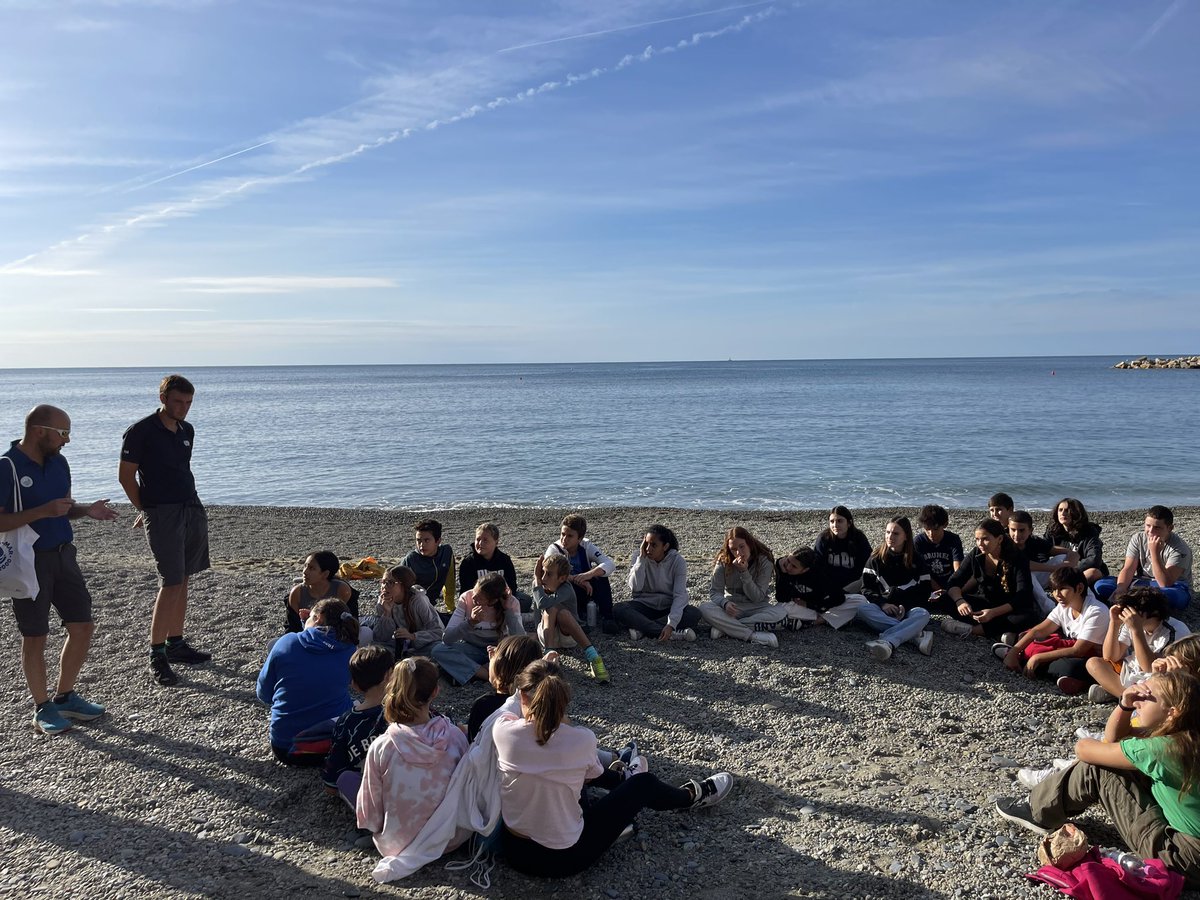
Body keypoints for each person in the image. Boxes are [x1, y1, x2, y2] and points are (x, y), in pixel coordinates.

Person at [493, 657, 733, 878]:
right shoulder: (582, 739)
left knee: (565, 779)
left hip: (515, 852)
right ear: (564, 700)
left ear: (522, 696)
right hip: (562, 860)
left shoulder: (503, 731)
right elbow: (592, 774)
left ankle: (626, 779)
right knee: (642, 784)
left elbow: (512, 709)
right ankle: (692, 796)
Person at [995, 670, 1200, 888]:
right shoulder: (1188, 736)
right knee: (1124, 763)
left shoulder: (1161, 749)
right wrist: (1125, 705)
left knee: (1100, 769)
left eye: (1146, 695)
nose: (1138, 699)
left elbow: (1086, 750)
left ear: (1172, 712)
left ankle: (1038, 811)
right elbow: (1115, 739)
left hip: (1183, 858)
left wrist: (1125, 708)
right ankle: (1046, 803)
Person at [1, 405, 118, 735]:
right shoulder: (6, 467)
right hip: (29, 561)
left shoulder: (59, 463)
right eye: (63, 433)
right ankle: (42, 707)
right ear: (40, 431)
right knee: (35, 635)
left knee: (82, 625)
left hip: (64, 555)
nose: (67, 440)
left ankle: (65, 695)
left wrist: (86, 510)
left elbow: (63, 509)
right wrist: (42, 511)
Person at [118, 374, 211, 687]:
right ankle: (156, 655)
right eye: (177, 402)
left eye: (188, 403)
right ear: (163, 399)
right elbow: (126, 477)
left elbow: (180, 470)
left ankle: (176, 643)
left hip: (190, 507)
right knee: (170, 581)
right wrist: (145, 509)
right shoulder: (140, 431)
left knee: (183, 577)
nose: (184, 408)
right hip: (163, 513)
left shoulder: (187, 430)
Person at [357, 656, 470, 859]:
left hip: (397, 843)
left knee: (350, 779)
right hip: (450, 839)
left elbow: (371, 808)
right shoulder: (454, 736)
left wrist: (374, 825)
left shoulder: (383, 745)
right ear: (435, 691)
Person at [256, 599, 358, 765]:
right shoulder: (349, 650)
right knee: (356, 703)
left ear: (318, 618)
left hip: (284, 747)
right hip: (331, 745)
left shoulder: (287, 642)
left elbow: (264, 694)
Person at [994, 567, 1108, 695]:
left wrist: (1038, 658)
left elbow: (1079, 650)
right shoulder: (1064, 606)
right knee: (1032, 639)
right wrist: (1014, 652)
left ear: (1079, 588)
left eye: (1062, 589)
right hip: (1072, 649)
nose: (1057, 594)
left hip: (1093, 658)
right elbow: (1039, 630)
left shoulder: (1096, 611)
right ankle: (1020, 657)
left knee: (1070, 667)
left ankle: (1027, 660)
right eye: (1053, 590)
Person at [1087, 586, 1190, 703]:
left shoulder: (1174, 631)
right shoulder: (1131, 623)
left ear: (1154, 612)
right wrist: (1114, 623)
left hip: (1160, 676)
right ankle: (1126, 697)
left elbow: (1149, 668)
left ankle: (1119, 695)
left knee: (1158, 685)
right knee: (1094, 663)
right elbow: (1110, 656)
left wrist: (1137, 630)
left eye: (1134, 611)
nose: (1129, 615)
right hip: (1135, 669)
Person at [322, 644, 395, 805]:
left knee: (345, 779)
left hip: (375, 795)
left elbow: (331, 783)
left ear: (354, 684)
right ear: (389, 675)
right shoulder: (408, 709)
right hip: (413, 786)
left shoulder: (346, 721)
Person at [941, 519, 1035, 640]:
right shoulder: (976, 553)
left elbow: (1023, 595)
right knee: (945, 598)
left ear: (999, 539)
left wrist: (993, 613)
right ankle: (1000, 632)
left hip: (1007, 607)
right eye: (977, 539)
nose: (980, 543)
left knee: (1027, 617)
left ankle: (972, 630)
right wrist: (960, 601)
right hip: (984, 602)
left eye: (985, 539)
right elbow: (954, 581)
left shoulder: (1017, 558)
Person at [855, 516, 934, 661]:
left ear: (906, 536)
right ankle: (915, 634)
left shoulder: (917, 560)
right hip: (883, 609)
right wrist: (883, 604)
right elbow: (866, 589)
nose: (890, 536)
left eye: (896, 533)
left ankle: (888, 642)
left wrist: (906, 606)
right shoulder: (875, 559)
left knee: (923, 614)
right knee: (862, 610)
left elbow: (925, 591)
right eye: (888, 532)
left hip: (909, 609)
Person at [430, 573, 524, 686]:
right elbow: (447, 638)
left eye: (480, 598)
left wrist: (508, 611)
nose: (474, 597)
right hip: (472, 649)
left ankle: (468, 673)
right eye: (475, 591)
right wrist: (470, 623)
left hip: (498, 652)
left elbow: (521, 641)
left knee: (519, 657)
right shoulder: (466, 598)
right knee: (438, 650)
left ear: (492, 601)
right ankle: (487, 675)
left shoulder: (512, 603)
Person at [1096, 505, 1193, 610]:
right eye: (1148, 526)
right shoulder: (1138, 538)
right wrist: (1121, 588)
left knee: (1173, 597)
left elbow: (1165, 583)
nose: (1150, 531)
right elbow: (1128, 568)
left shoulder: (1180, 548)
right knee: (1101, 585)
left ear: (1169, 528)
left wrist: (1154, 552)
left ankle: (1133, 601)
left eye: (1157, 528)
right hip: (1142, 583)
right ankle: (1138, 602)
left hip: (1173, 587)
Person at [616, 524, 701, 643]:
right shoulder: (639, 557)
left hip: (668, 606)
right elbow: (635, 587)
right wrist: (641, 560)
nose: (648, 549)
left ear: (665, 546)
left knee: (694, 613)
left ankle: (643, 630)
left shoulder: (677, 561)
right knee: (619, 608)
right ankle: (669, 633)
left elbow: (680, 595)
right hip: (645, 605)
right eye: (646, 544)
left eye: (653, 545)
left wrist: (671, 624)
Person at [699, 527, 780, 648]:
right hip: (733, 607)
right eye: (733, 549)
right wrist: (725, 603)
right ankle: (753, 636)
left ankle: (726, 628)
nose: (738, 553)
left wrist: (744, 572)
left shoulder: (764, 561)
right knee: (704, 608)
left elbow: (757, 597)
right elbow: (715, 592)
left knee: (780, 613)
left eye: (742, 547)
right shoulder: (724, 560)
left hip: (757, 607)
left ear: (750, 544)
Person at [536, 514, 618, 633]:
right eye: (563, 534)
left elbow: (609, 564)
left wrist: (587, 575)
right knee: (565, 585)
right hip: (565, 589)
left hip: (585, 587)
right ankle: (577, 620)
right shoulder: (554, 550)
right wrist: (576, 579)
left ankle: (608, 618)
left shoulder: (586, 546)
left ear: (579, 538)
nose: (564, 539)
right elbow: (550, 575)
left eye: (570, 536)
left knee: (601, 577)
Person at [533, 554, 609, 683]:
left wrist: (537, 580)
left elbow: (542, 603)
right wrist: (536, 632)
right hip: (547, 636)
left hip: (568, 636)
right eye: (543, 573)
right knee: (550, 610)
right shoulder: (540, 586)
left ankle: (593, 657)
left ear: (562, 578)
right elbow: (537, 609)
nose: (544, 577)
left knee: (560, 612)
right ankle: (549, 657)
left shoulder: (566, 588)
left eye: (549, 574)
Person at [467, 634, 544, 742]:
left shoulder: (484, 705)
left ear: (500, 667)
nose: (490, 655)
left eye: (494, 656)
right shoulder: (540, 704)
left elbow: (473, 745)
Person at [774, 547, 864, 629]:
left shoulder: (819, 574)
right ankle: (832, 619)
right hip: (798, 607)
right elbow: (781, 598)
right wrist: (782, 574)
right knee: (779, 609)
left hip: (819, 606)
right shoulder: (783, 567)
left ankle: (816, 621)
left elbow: (838, 598)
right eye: (788, 561)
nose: (788, 567)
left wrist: (810, 605)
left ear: (805, 569)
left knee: (859, 600)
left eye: (794, 566)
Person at [369, 565, 444, 657]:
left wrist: (413, 636)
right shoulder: (383, 602)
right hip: (398, 645)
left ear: (403, 585)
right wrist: (387, 613)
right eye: (383, 582)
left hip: (424, 646)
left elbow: (439, 632)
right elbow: (381, 638)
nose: (384, 586)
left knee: (437, 649)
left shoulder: (418, 600)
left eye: (391, 582)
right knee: (376, 651)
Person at [458, 522, 527, 610]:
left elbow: (512, 585)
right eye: (478, 539)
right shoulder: (468, 562)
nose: (480, 543)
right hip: (478, 600)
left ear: (496, 541)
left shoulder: (504, 560)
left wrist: (503, 598)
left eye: (485, 540)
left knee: (526, 600)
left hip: (500, 598)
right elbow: (466, 590)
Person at [286, 551, 355, 633]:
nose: (305, 572)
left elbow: (350, 623)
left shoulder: (342, 590)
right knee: (274, 643)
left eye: (311, 568)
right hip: (306, 637)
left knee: (366, 632)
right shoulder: (297, 593)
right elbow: (292, 628)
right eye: (305, 566)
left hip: (335, 636)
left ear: (325, 574)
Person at [1045, 497, 1109, 585]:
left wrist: (1071, 570)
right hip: (1060, 570)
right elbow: (1042, 551)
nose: (1063, 513)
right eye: (1060, 510)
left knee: (1093, 572)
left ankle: (1067, 588)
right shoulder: (1053, 530)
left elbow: (1094, 559)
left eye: (1067, 510)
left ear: (1076, 513)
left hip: (1080, 571)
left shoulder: (1089, 532)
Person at [400, 519, 456, 613]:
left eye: (426, 540)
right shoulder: (410, 560)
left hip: (430, 606)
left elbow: (450, 582)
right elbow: (398, 588)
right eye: (418, 540)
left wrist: (450, 608)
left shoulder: (446, 553)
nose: (422, 545)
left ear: (438, 541)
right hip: (410, 608)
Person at [813, 505, 872, 591]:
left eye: (839, 521)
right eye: (832, 521)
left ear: (849, 523)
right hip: (829, 584)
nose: (835, 525)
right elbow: (817, 565)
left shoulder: (859, 538)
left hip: (854, 584)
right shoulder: (824, 539)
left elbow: (867, 564)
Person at [914, 504, 963, 593]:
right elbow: (922, 571)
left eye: (935, 529)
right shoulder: (918, 542)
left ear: (945, 525)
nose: (931, 533)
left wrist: (952, 588)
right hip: (928, 583)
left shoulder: (953, 539)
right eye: (927, 529)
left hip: (950, 582)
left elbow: (958, 569)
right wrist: (939, 590)